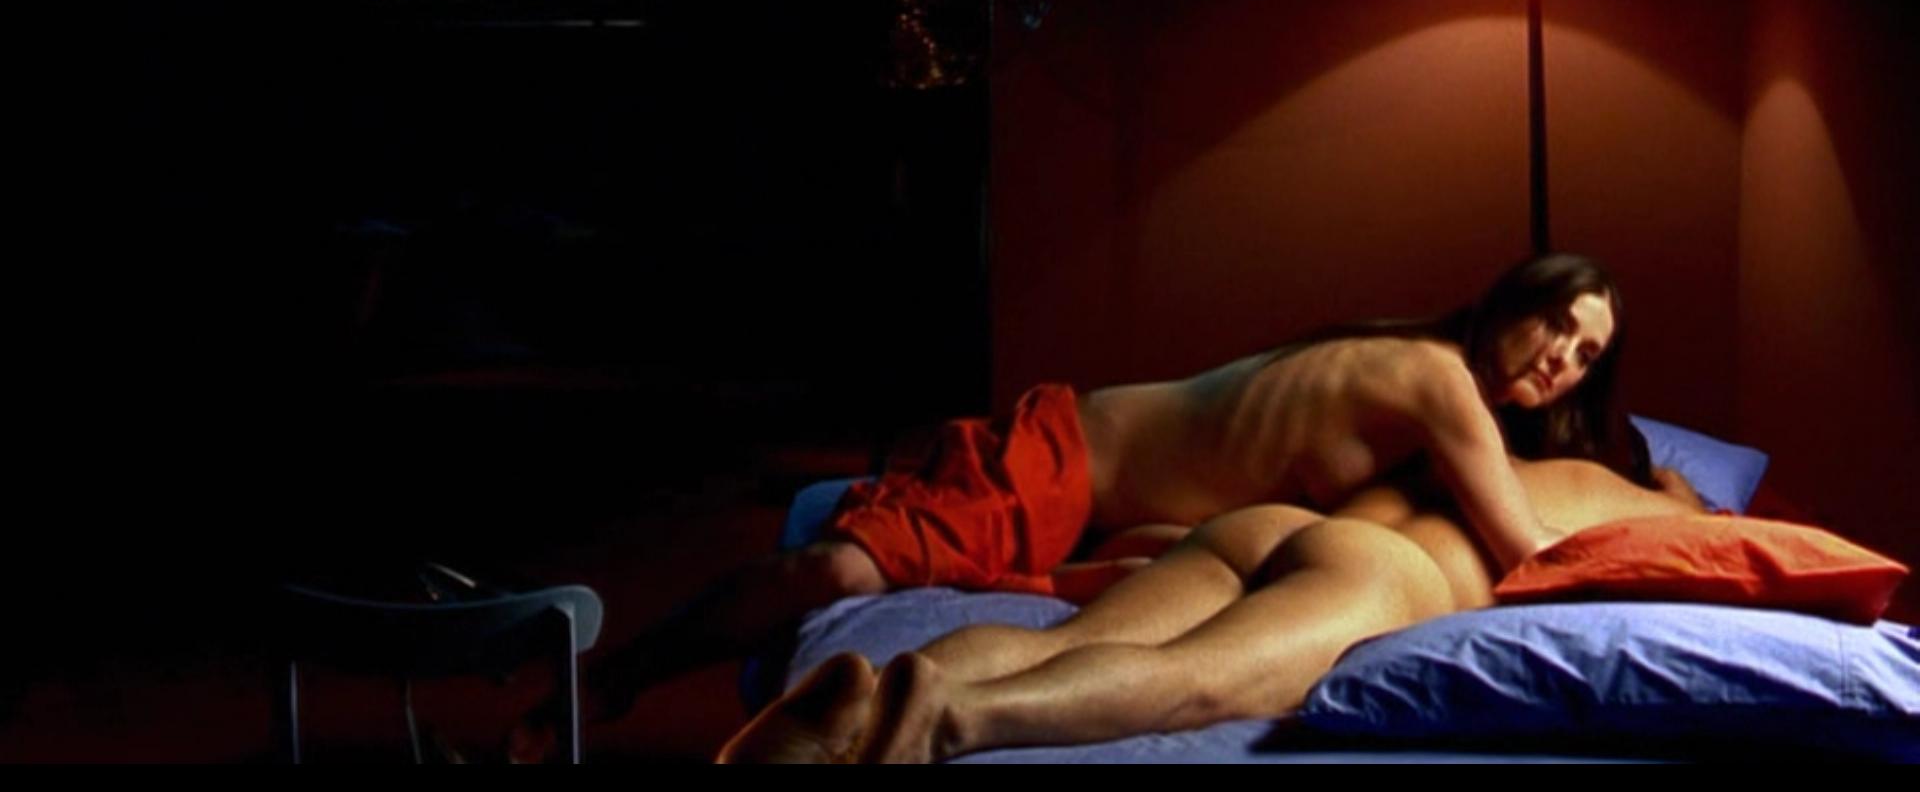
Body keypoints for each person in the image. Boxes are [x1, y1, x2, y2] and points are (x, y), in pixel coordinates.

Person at [518, 252, 1654, 754]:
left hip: (1104, 508)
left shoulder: (1426, 394)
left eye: (1586, 355)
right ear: (1508, 303)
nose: (1560, 358)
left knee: (1119, 592)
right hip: (1062, 459)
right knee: (836, 571)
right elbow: (1522, 544)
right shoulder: (1438, 380)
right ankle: (609, 681)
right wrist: (1670, 528)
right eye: (1556, 323)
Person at [717, 454, 1707, 763]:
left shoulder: (1485, 452)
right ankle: (943, 720)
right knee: (1188, 683)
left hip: (1268, 529)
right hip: (1385, 574)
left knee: (1073, 640)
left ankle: (868, 698)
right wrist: (1685, 498)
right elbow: (1708, 548)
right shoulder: (1638, 497)